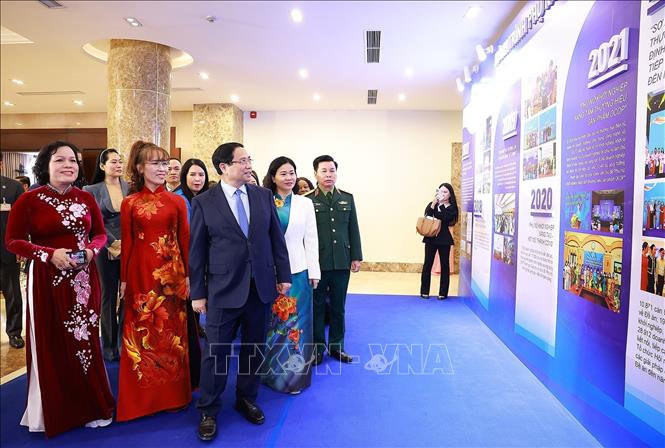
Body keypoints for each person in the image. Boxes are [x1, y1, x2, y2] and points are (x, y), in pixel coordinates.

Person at [5, 141, 114, 436]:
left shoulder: (85, 197)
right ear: (45, 165)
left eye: (73, 161)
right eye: (60, 160)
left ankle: (90, 406)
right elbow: (13, 241)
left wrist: (91, 251)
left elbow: (100, 234)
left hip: (83, 280)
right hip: (46, 280)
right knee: (51, 342)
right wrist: (48, 254)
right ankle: (56, 411)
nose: (68, 165)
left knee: (85, 342)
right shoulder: (29, 199)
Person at [189, 142, 291, 441]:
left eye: (250, 160)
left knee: (253, 348)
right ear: (224, 167)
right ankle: (208, 409)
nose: (249, 165)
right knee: (216, 353)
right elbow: (197, 251)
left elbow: (276, 239)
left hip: (260, 287)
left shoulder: (262, 195)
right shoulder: (204, 202)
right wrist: (198, 293)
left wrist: (283, 275)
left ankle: (247, 397)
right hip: (222, 289)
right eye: (242, 161)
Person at [116, 141, 197, 422]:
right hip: (139, 274)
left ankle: (173, 395)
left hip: (172, 277)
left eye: (165, 163)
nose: (163, 169)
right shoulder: (129, 203)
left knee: (172, 333)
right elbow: (127, 244)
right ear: (140, 168)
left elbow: (185, 240)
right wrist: (123, 280)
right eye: (156, 163)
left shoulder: (177, 201)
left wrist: (189, 276)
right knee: (141, 330)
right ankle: (142, 399)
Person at [261, 156, 320, 393]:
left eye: (292, 173)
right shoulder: (263, 201)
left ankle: (295, 378)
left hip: (298, 272)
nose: (289, 178)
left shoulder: (305, 204)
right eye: (283, 173)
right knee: (273, 326)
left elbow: (311, 239)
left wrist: (314, 271)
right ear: (273, 177)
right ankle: (271, 375)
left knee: (298, 326)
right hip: (270, 273)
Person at [306, 155, 362, 365]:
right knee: (317, 306)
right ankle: (318, 349)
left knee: (339, 307)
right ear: (315, 174)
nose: (329, 175)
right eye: (324, 171)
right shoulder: (307, 200)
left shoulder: (347, 198)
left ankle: (337, 347)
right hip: (317, 263)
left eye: (332, 170)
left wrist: (356, 256)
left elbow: (353, 229)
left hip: (341, 261)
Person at [83, 148, 129, 361]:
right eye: (113, 162)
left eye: (120, 161)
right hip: (105, 248)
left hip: (129, 247)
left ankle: (123, 343)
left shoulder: (129, 186)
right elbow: (94, 220)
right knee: (108, 296)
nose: (118, 165)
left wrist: (127, 242)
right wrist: (112, 242)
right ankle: (109, 346)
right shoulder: (91, 189)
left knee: (127, 294)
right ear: (102, 166)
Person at [173, 158, 210, 339]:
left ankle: (195, 329)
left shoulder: (209, 197)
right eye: (192, 174)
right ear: (184, 176)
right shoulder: (179, 198)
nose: (197, 179)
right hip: (184, 257)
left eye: (201, 175)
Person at [1, 153, 25, 349]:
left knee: (13, 295)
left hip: (7, 249)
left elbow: (21, 220)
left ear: (1, 164)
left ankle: (14, 332)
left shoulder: (13, 187)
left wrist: (21, 246)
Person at [420, 183, 458, 300]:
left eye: (445, 192)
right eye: (440, 191)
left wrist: (440, 206)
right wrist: (433, 203)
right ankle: (424, 291)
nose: (442, 194)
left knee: (445, 266)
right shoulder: (433, 204)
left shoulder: (452, 207)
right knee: (427, 264)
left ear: (450, 195)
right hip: (430, 238)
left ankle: (443, 293)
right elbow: (427, 215)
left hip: (444, 240)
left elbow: (446, 218)